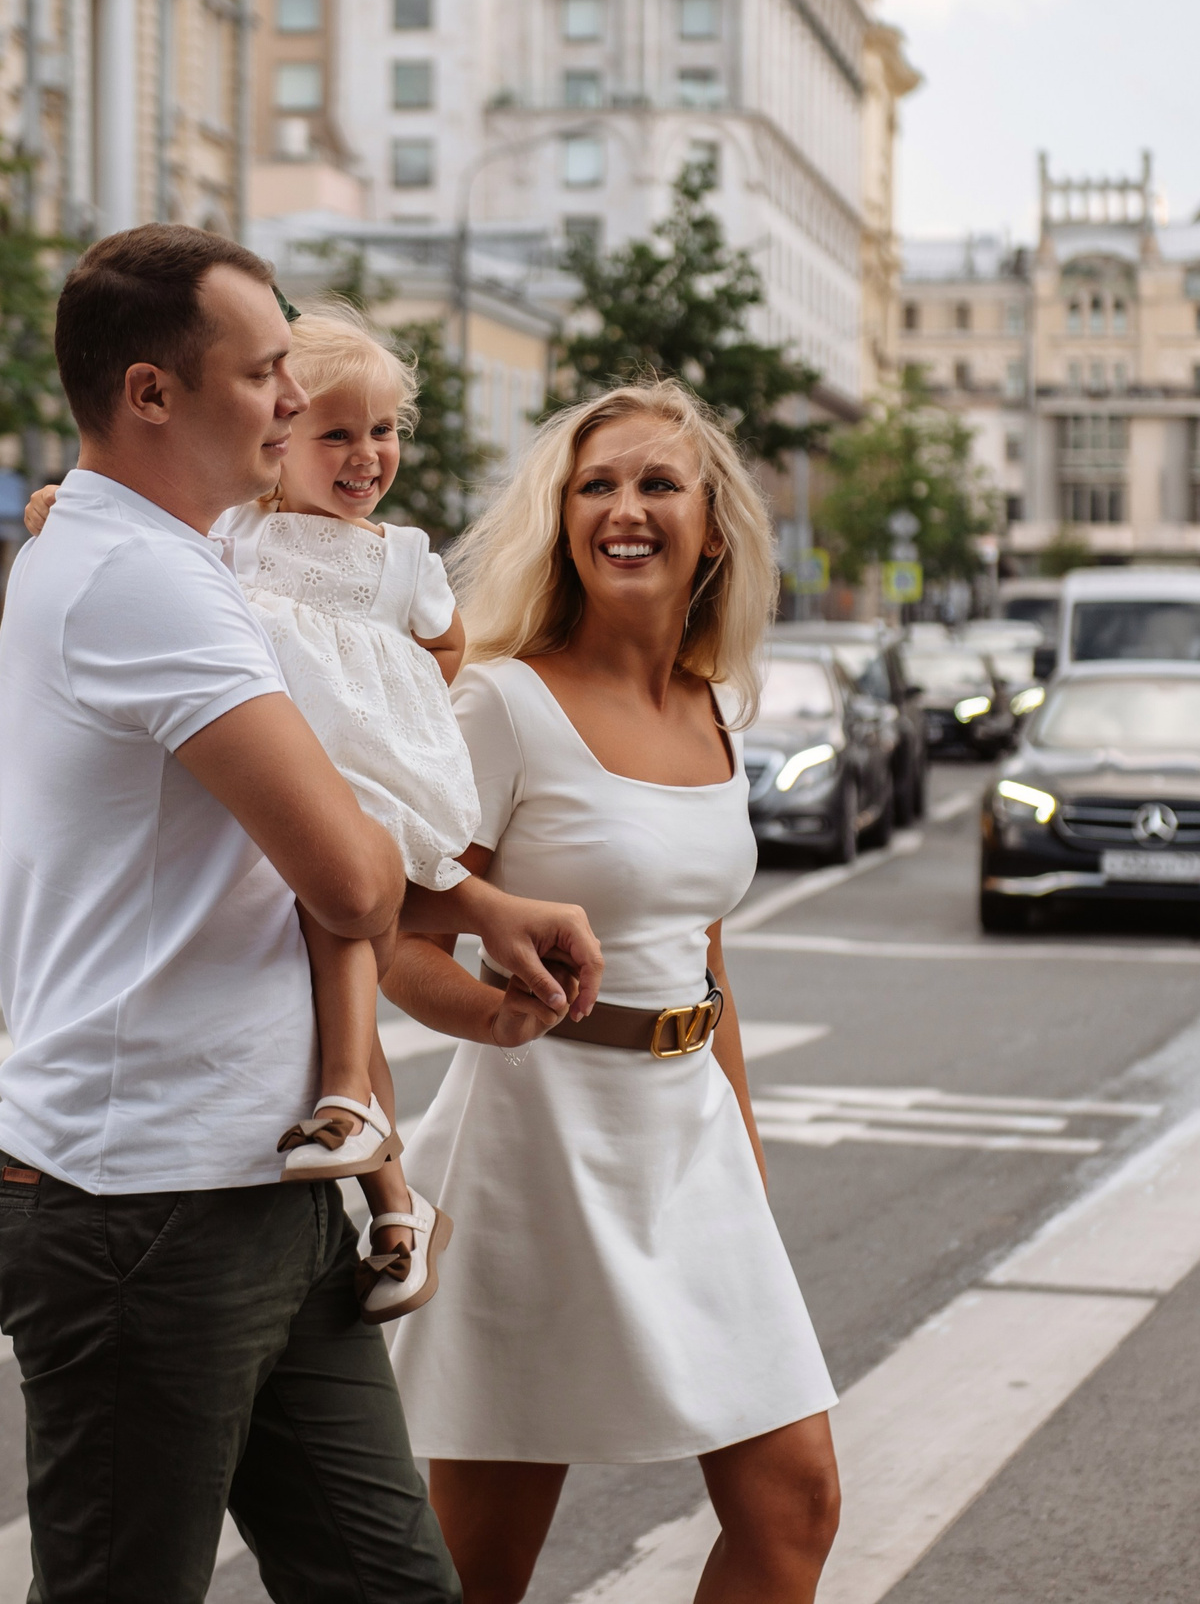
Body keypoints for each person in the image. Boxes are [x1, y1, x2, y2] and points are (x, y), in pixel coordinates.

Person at [0, 223, 601, 1604]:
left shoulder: (168, 553)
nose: (291, 399)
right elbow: (349, 882)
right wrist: (436, 884)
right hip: (147, 1201)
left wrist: (478, 899)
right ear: (151, 393)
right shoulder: (144, 578)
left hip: (266, 1181)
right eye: (263, 372)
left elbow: (296, 857)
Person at [382, 381, 842, 1604]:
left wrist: (743, 1150)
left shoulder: (712, 705)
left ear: (713, 526)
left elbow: (706, 956)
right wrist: (493, 1011)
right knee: (483, 1564)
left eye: (656, 483)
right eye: (596, 485)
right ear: (562, 518)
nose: (623, 508)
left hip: (690, 1139)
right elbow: (394, 930)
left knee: (794, 1504)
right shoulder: (502, 702)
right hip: (538, 1147)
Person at [20, 302, 472, 1320]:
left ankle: (350, 1100)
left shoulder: (401, 555)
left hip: (355, 773)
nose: (366, 455)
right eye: (336, 433)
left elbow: (450, 643)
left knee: (340, 925)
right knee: (323, 964)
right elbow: (129, 534)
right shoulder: (234, 532)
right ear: (283, 434)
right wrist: (58, 505)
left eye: (383, 431)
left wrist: (402, 697)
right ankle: (396, 1204)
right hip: (276, 782)